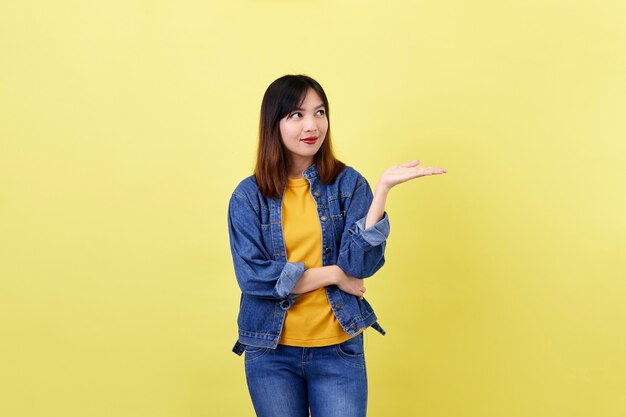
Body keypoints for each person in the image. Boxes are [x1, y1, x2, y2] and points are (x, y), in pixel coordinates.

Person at [227, 74, 446, 417]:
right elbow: (254, 277)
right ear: (274, 124)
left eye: (319, 112)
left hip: (338, 350)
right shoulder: (247, 196)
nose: (312, 125)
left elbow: (359, 268)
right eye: (296, 115)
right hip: (271, 353)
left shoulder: (349, 184)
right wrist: (333, 274)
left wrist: (382, 192)